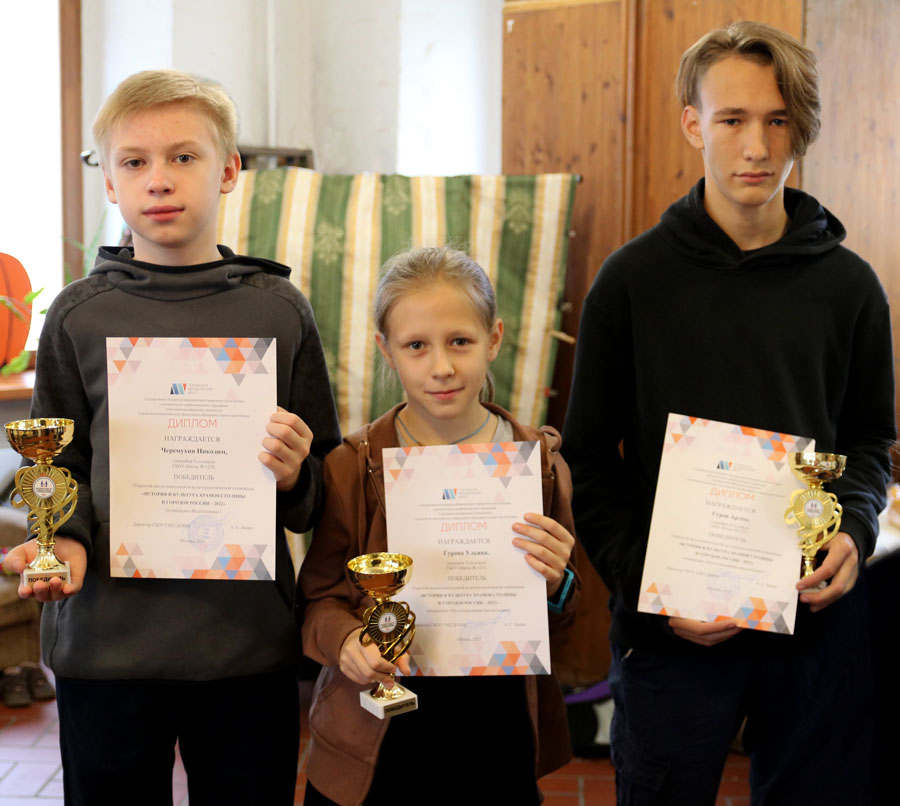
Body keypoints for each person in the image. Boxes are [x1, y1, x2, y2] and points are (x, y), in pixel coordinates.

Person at [562, 20, 894, 806]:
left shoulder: (850, 288)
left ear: (800, 129)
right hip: (673, 638)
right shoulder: (630, 282)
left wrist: (854, 528)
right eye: (732, 119)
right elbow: (588, 458)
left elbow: (870, 441)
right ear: (693, 123)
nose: (756, 146)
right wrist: (649, 587)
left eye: (778, 121)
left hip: (812, 630)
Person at [3, 69, 341, 805]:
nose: (158, 178)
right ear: (109, 182)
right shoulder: (77, 316)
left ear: (228, 170)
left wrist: (295, 475)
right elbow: (58, 463)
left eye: (183, 156)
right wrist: (62, 540)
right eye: (134, 161)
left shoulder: (279, 313)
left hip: (244, 649)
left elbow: (322, 484)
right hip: (107, 648)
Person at [299, 246, 580, 805]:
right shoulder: (352, 466)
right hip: (375, 735)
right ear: (386, 349)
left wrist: (556, 583)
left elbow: (564, 618)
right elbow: (318, 600)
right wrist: (347, 640)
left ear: (493, 339)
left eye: (460, 341)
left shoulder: (540, 465)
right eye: (416, 346)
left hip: (495, 729)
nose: (442, 367)